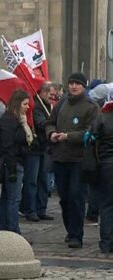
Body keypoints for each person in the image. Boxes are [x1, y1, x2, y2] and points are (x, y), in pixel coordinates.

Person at [46, 73, 100, 248]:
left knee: (76, 197)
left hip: (79, 159)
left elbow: (91, 132)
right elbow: (50, 122)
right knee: (64, 198)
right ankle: (70, 230)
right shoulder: (62, 103)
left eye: (77, 84)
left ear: (84, 86)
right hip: (60, 157)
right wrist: (51, 133)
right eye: (71, 83)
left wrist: (68, 136)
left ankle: (77, 235)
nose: (73, 87)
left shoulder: (91, 107)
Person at [0, 89, 32, 234]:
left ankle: (4, 228)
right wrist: (12, 169)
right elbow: (8, 145)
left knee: (8, 197)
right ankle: (12, 231)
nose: (27, 107)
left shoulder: (18, 119)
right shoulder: (8, 120)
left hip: (17, 162)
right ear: (17, 104)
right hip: (12, 164)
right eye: (25, 104)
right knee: (13, 198)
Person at [23, 82, 54, 222]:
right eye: (49, 93)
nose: (51, 96)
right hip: (34, 149)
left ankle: (41, 209)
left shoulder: (50, 107)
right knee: (32, 181)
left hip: (45, 148)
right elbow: (40, 123)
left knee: (43, 180)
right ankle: (30, 209)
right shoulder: (35, 106)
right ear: (41, 93)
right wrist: (53, 123)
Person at [88, 89, 113, 253]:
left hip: (106, 165)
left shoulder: (102, 117)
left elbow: (90, 138)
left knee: (107, 205)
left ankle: (106, 242)